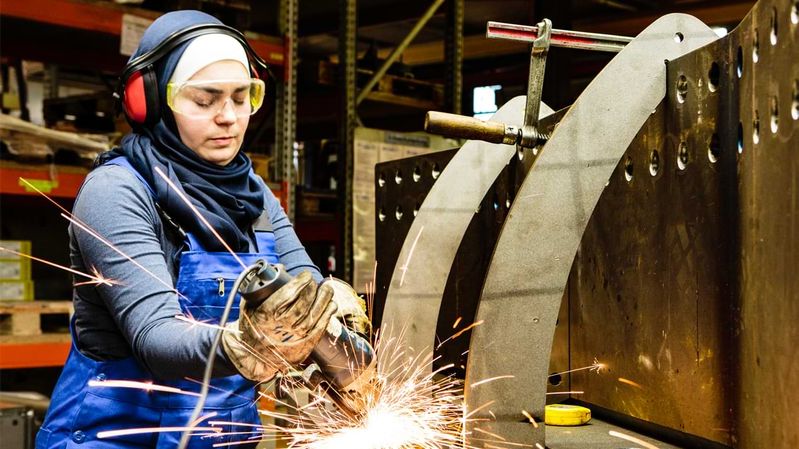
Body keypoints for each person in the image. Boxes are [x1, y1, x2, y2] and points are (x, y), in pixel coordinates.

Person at [35, 10, 368, 449]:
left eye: (241, 96)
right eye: (205, 100)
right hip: (114, 438)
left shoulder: (254, 196)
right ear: (151, 101)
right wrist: (246, 345)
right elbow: (157, 337)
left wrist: (338, 331)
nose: (229, 117)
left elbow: (307, 290)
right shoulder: (116, 191)